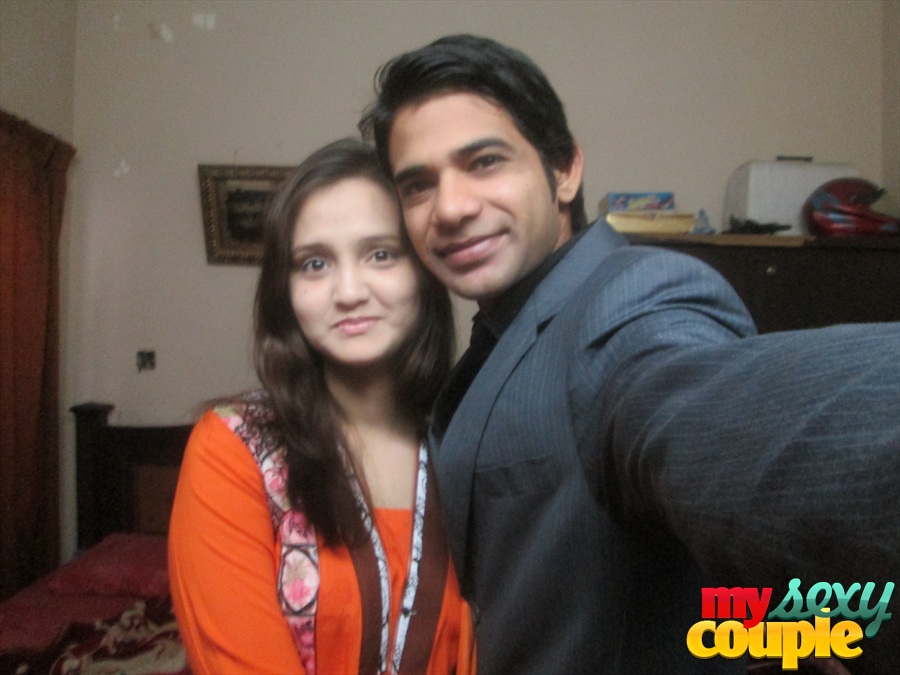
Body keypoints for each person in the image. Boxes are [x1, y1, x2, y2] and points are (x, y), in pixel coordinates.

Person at [359, 34, 900, 675]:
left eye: (484, 162)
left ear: (564, 169)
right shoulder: (495, 337)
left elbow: (693, 412)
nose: (450, 208)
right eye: (418, 186)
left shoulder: (633, 297)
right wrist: (783, 637)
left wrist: (818, 633)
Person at [169, 138, 475, 674]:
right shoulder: (233, 449)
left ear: (424, 272)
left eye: (381, 254)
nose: (349, 291)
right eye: (315, 264)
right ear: (284, 291)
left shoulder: (470, 439)